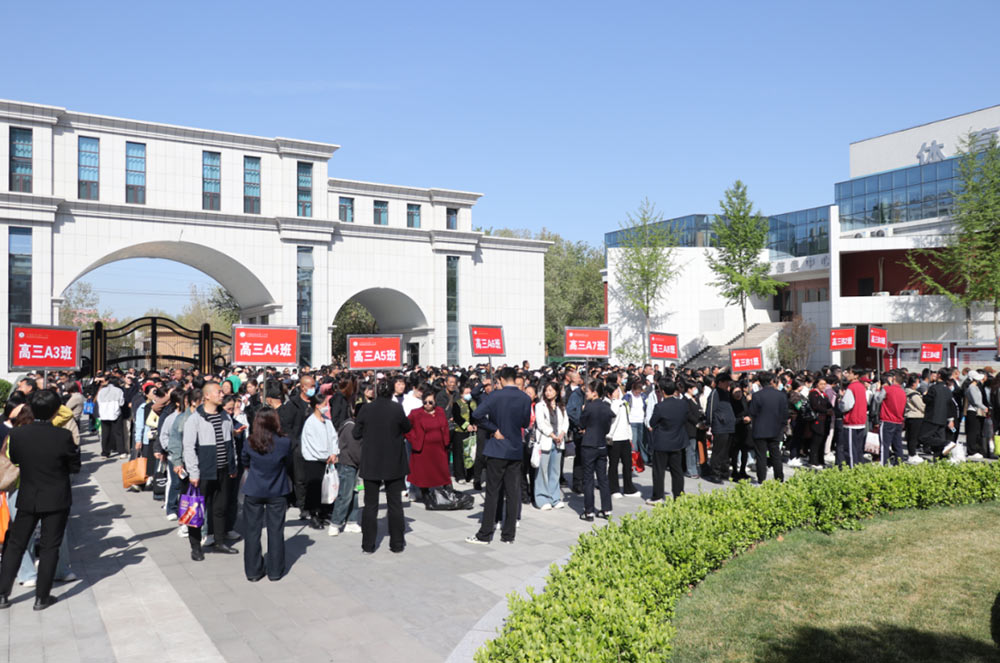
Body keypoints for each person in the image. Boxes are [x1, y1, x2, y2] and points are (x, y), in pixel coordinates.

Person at [0, 390, 81, 611]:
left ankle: (2, 594)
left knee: (15, 545)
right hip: (56, 497)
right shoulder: (63, 436)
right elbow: (74, 466)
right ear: (56, 410)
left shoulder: (17, 434)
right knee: (49, 547)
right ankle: (41, 597)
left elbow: (15, 460)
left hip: (28, 495)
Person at [466, 366, 532, 545]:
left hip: (497, 449)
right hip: (515, 449)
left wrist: (493, 429)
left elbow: (477, 414)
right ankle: (508, 535)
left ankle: (485, 534)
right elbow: (525, 422)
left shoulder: (495, 395)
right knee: (512, 493)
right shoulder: (525, 398)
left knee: (492, 492)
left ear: (501, 379)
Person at [354, 379, 412, 554]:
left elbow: (356, 433)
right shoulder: (396, 408)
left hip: (372, 461)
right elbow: (407, 427)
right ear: (392, 391)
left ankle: (368, 545)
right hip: (393, 461)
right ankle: (397, 544)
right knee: (395, 504)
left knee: (370, 505)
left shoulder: (366, 409)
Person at [182, 382, 239, 560]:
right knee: (196, 509)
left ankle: (219, 541)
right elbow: (188, 447)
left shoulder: (225, 416)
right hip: (203, 471)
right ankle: (195, 547)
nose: (222, 395)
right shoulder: (195, 419)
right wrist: (193, 472)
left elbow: (231, 444)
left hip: (223, 470)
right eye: (218, 392)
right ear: (207, 396)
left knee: (221, 507)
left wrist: (233, 465)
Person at [241, 409, 292, 582]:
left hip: (254, 489)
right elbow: (288, 462)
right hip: (277, 489)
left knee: (252, 532)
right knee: (276, 531)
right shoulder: (284, 442)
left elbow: (245, 461)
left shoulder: (250, 442)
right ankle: (275, 571)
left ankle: (253, 571)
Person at [647, 379, 695, 502]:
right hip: (677, 441)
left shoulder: (660, 407)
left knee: (659, 471)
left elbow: (652, 422)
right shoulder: (682, 404)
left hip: (662, 443)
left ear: (663, 391)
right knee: (677, 471)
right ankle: (678, 495)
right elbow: (685, 419)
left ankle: (658, 496)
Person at [300, 393, 339, 530]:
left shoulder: (327, 421)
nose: (326, 407)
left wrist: (334, 452)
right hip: (314, 460)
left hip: (328, 460)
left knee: (326, 488)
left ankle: (324, 513)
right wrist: (325, 455)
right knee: (315, 489)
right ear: (317, 406)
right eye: (324, 404)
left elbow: (333, 437)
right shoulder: (310, 423)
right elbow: (312, 444)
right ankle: (314, 515)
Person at [577, 381, 614, 521]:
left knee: (588, 479)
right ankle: (607, 509)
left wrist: (583, 412)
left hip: (589, 444)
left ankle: (589, 511)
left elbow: (581, 424)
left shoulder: (589, 407)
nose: (586, 393)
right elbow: (607, 428)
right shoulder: (606, 407)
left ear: (594, 393)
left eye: (588, 391)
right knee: (603, 478)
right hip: (602, 444)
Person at [278, 374, 313, 521]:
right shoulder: (293, 404)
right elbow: (287, 426)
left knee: (312, 478)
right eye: (311, 386)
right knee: (300, 479)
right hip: (298, 447)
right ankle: (303, 507)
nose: (313, 389)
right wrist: (295, 443)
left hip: (314, 447)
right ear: (303, 387)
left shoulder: (316, 402)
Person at [407, 390, 453, 501]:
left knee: (441, 472)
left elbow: (445, 427)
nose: (427, 404)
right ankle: (425, 494)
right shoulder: (415, 413)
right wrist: (413, 439)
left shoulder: (440, 411)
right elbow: (406, 427)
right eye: (425, 402)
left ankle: (443, 494)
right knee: (424, 473)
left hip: (439, 448)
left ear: (435, 402)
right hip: (423, 449)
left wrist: (446, 442)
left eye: (430, 402)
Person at [747, 372, 789, 483]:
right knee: (776, 455)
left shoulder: (756, 396)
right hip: (776, 429)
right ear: (771, 381)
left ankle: (761, 480)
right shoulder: (781, 395)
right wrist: (782, 426)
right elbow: (785, 414)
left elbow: (752, 412)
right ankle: (779, 479)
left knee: (761, 457)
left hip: (760, 430)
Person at [533, 382, 568, 510]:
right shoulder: (540, 406)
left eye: (551, 390)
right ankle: (542, 498)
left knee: (555, 471)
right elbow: (541, 424)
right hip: (546, 440)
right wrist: (553, 435)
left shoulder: (561, 406)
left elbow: (566, 422)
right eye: (546, 390)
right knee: (542, 471)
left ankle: (555, 498)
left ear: (557, 392)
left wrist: (562, 434)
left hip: (558, 441)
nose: (548, 393)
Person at [605, 382, 636, 497]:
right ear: (609, 394)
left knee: (627, 464)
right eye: (615, 391)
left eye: (618, 390)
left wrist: (630, 436)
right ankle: (614, 489)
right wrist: (616, 402)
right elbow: (612, 415)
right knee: (613, 464)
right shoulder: (608, 404)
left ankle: (629, 488)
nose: (618, 393)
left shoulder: (623, 403)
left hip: (625, 437)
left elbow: (627, 420)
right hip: (614, 438)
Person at [703, 373, 734, 483]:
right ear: (720, 382)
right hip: (720, 426)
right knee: (718, 451)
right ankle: (715, 473)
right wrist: (709, 423)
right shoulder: (715, 393)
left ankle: (724, 472)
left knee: (726, 452)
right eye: (727, 382)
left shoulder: (726, 393)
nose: (728, 384)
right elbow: (710, 410)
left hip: (729, 426)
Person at [837, 366, 868, 468]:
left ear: (856, 375)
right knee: (858, 449)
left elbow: (846, 405)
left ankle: (852, 469)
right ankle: (859, 468)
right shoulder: (862, 386)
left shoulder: (852, 387)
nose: (847, 375)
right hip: (861, 421)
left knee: (850, 450)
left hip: (851, 421)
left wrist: (840, 403)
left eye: (850, 373)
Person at [876, 371, 906, 466]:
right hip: (898, 421)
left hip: (887, 420)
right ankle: (899, 463)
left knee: (884, 445)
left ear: (894, 378)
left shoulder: (887, 389)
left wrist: (878, 389)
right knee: (898, 445)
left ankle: (883, 464)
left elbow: (878, 399)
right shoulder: (903, 392)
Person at [97, 377, 125, 458]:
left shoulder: (102, 391)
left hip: (104, 414)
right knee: (118, 433)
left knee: (105, 433)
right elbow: (121, 403)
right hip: (115, 413)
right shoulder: (119, 391)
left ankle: (105, 452)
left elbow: (98, 401)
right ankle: (121, 451)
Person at [903, 374, 925, 464]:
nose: (918, 384)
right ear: (913, 383)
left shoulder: (905, 391)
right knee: (913, 437)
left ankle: (912, 453)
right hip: (915, 416)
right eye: (917, 382)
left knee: (911, 437)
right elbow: (921, 406)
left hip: (909, 416)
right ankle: (912, 454)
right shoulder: (913, 394)